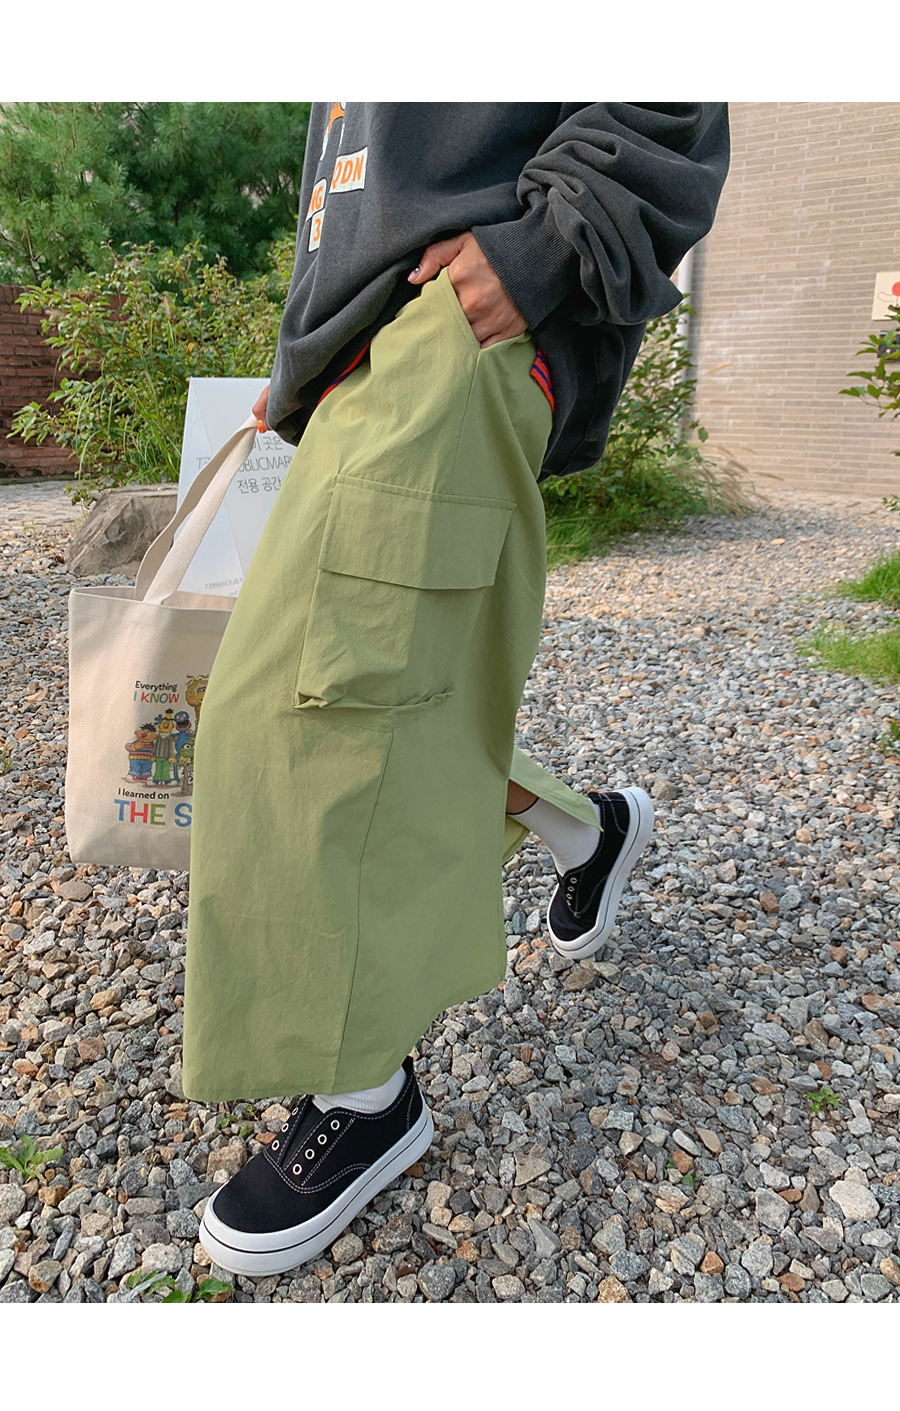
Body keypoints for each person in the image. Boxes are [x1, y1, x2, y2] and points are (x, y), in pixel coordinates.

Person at [183, 102, 731, 1279]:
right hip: (374, 358)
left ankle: (364, 1092)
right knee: (397, 701)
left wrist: (542, 248)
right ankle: (591, 834)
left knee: (299, 720)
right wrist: (306, 365)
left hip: (456, 328)